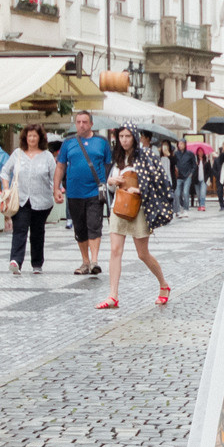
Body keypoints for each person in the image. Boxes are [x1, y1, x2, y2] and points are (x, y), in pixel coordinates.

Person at [98, 125, 172, 310]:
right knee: (115, 250)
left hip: (139, 208)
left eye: (127, 136)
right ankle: (113, 295)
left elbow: (161, 182)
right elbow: (110, 183)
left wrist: (138, 189)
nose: (124, 140)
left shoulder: (145, 156)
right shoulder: (116, 158)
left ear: (134, 137)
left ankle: (163, 284)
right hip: (118, 207)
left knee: (142, 253)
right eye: (121, 136)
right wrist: (111, 182)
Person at [53, 108, 111, 277]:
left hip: (94, 191)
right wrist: (56, 188)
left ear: (91, 124)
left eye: (85, 122)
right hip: (74, 192)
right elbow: (60, 166)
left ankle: (94, 261)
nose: (81, 125)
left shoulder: (102, 142)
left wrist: (106, 184)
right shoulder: (68, 143)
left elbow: (108, 166)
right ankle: (85, 261)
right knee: (80, 228)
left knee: (94, 225)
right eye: (78, 122)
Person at [3, 125, 55, 274]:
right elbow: (5, 172)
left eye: (35, 136)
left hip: (42, 200)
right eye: (29, 136)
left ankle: (37, 263)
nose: (32, 139)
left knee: (38, 232)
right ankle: (16, 261)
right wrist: (6, 190)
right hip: (21, 199)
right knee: (20, 230)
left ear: (40, 138)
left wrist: (55, 190)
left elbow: (54, 176)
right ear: (25, 138)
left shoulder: (47, 156)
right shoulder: (18, 154)